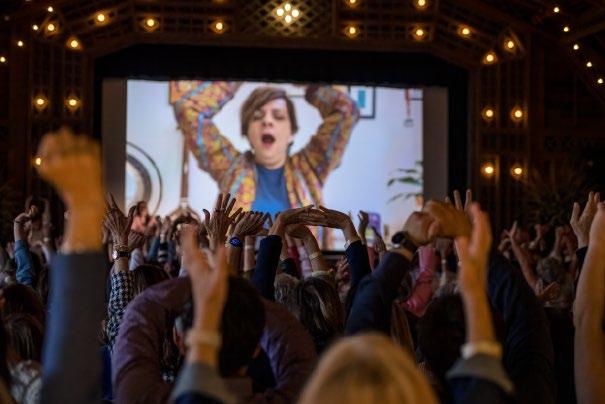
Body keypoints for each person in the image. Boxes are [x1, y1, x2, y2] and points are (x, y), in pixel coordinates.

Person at [170, 81, 359, 244]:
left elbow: (346, 112)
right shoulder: (230, 167)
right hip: (239, 272)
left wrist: (310, 84)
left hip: (303, 273)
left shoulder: (309, 167)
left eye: (278, 116)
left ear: (291, 132)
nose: (267, 121)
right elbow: (187, 109)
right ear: (246, 131)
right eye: (257, 116)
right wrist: (235, 77)